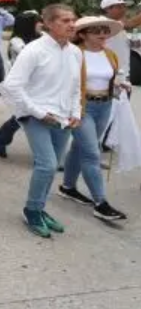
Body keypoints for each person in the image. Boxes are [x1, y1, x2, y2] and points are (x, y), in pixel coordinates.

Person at [1, 4, 82, 238]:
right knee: (46, 165)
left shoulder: (75, 52)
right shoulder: (33, 50)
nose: (71, 25)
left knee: (52, 166)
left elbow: (75, 87)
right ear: (48, 24)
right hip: (37, 116)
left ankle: (40, 208)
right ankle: (31, 210)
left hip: (64, 118)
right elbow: (12, 86)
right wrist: (39, 113)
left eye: (73, 20)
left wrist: (75, 112)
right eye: (65, 20)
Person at [56, 17, 128, 222]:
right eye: (96, 31)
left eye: (105, 30)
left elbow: (112, 79)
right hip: (82, 107)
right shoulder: (75, 54)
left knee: (79, 149)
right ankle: (101, 203)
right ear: (83, 34)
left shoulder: (110, 54)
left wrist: (120, 85)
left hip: (104, 106)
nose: (103, 34)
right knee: (91, 152)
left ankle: (67, 187)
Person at [0, 11, 43, 157]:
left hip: (36, 84)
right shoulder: (16, 41)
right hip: (21, 85)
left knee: (23, 115)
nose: (41, 24)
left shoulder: (39, 38)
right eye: (38, 21)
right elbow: (32, 55)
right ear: (29, 24)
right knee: (23, 115)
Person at [100, 0, 141, 81]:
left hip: (123, 73)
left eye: (124, 7)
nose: (123, 10)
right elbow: (130, 24)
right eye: (119, 7)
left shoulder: (118, 25)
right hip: (108, 74)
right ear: (107, 9)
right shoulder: (103, 23)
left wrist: (133, 43)